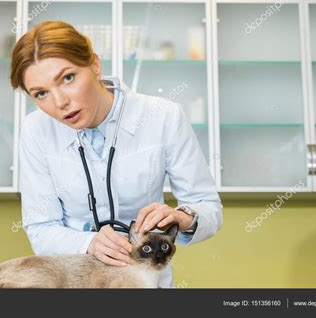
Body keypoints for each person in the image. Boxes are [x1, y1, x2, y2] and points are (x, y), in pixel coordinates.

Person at [11, 21, 223, 288]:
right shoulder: (35, 130)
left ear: (95, 65)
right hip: (76, 283)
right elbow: (40, 227)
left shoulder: (163, 116)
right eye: (41, 93)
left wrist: (183, 217)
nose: (60, 102)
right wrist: (88, 242)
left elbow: (208, 206)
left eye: (68, 78)